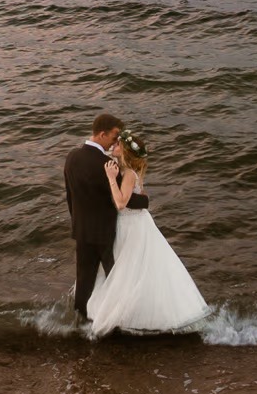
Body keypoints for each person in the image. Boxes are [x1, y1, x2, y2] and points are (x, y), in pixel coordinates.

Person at [82, 126, 211, 336]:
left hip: (131, 225)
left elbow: (121, 203)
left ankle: (133, 316)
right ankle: (129, 313)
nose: (114, 146)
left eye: (118, 144)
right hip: (132, 223)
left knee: (130, 269)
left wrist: (110, 178)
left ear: (124, 150)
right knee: (131, 270)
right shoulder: (126, 171)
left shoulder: (128, 174)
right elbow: (139, 197)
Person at [63, 113, 122, 322]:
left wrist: (77, 222)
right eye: (114, 136)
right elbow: (123, 200)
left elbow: (70, 196)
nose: (116, 141)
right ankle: (115, 320)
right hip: (105, 233)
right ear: (102, 133)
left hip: (82, 230)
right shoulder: (108, 165)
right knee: (115, 278)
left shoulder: (72, 157)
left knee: (84, 279)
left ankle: (79, 321)